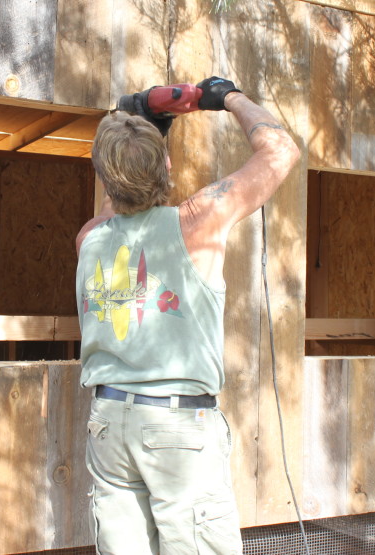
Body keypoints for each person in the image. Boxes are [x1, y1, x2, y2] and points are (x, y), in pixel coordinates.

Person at [75, 77, 300, 554]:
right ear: (168, 167)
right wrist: (228, 98)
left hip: (109, 423)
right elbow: (280, 152)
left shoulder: (89, 238)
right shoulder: (198, 222)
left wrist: (148, 129)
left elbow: (117, 203)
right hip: (176, 428)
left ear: (103, 176)